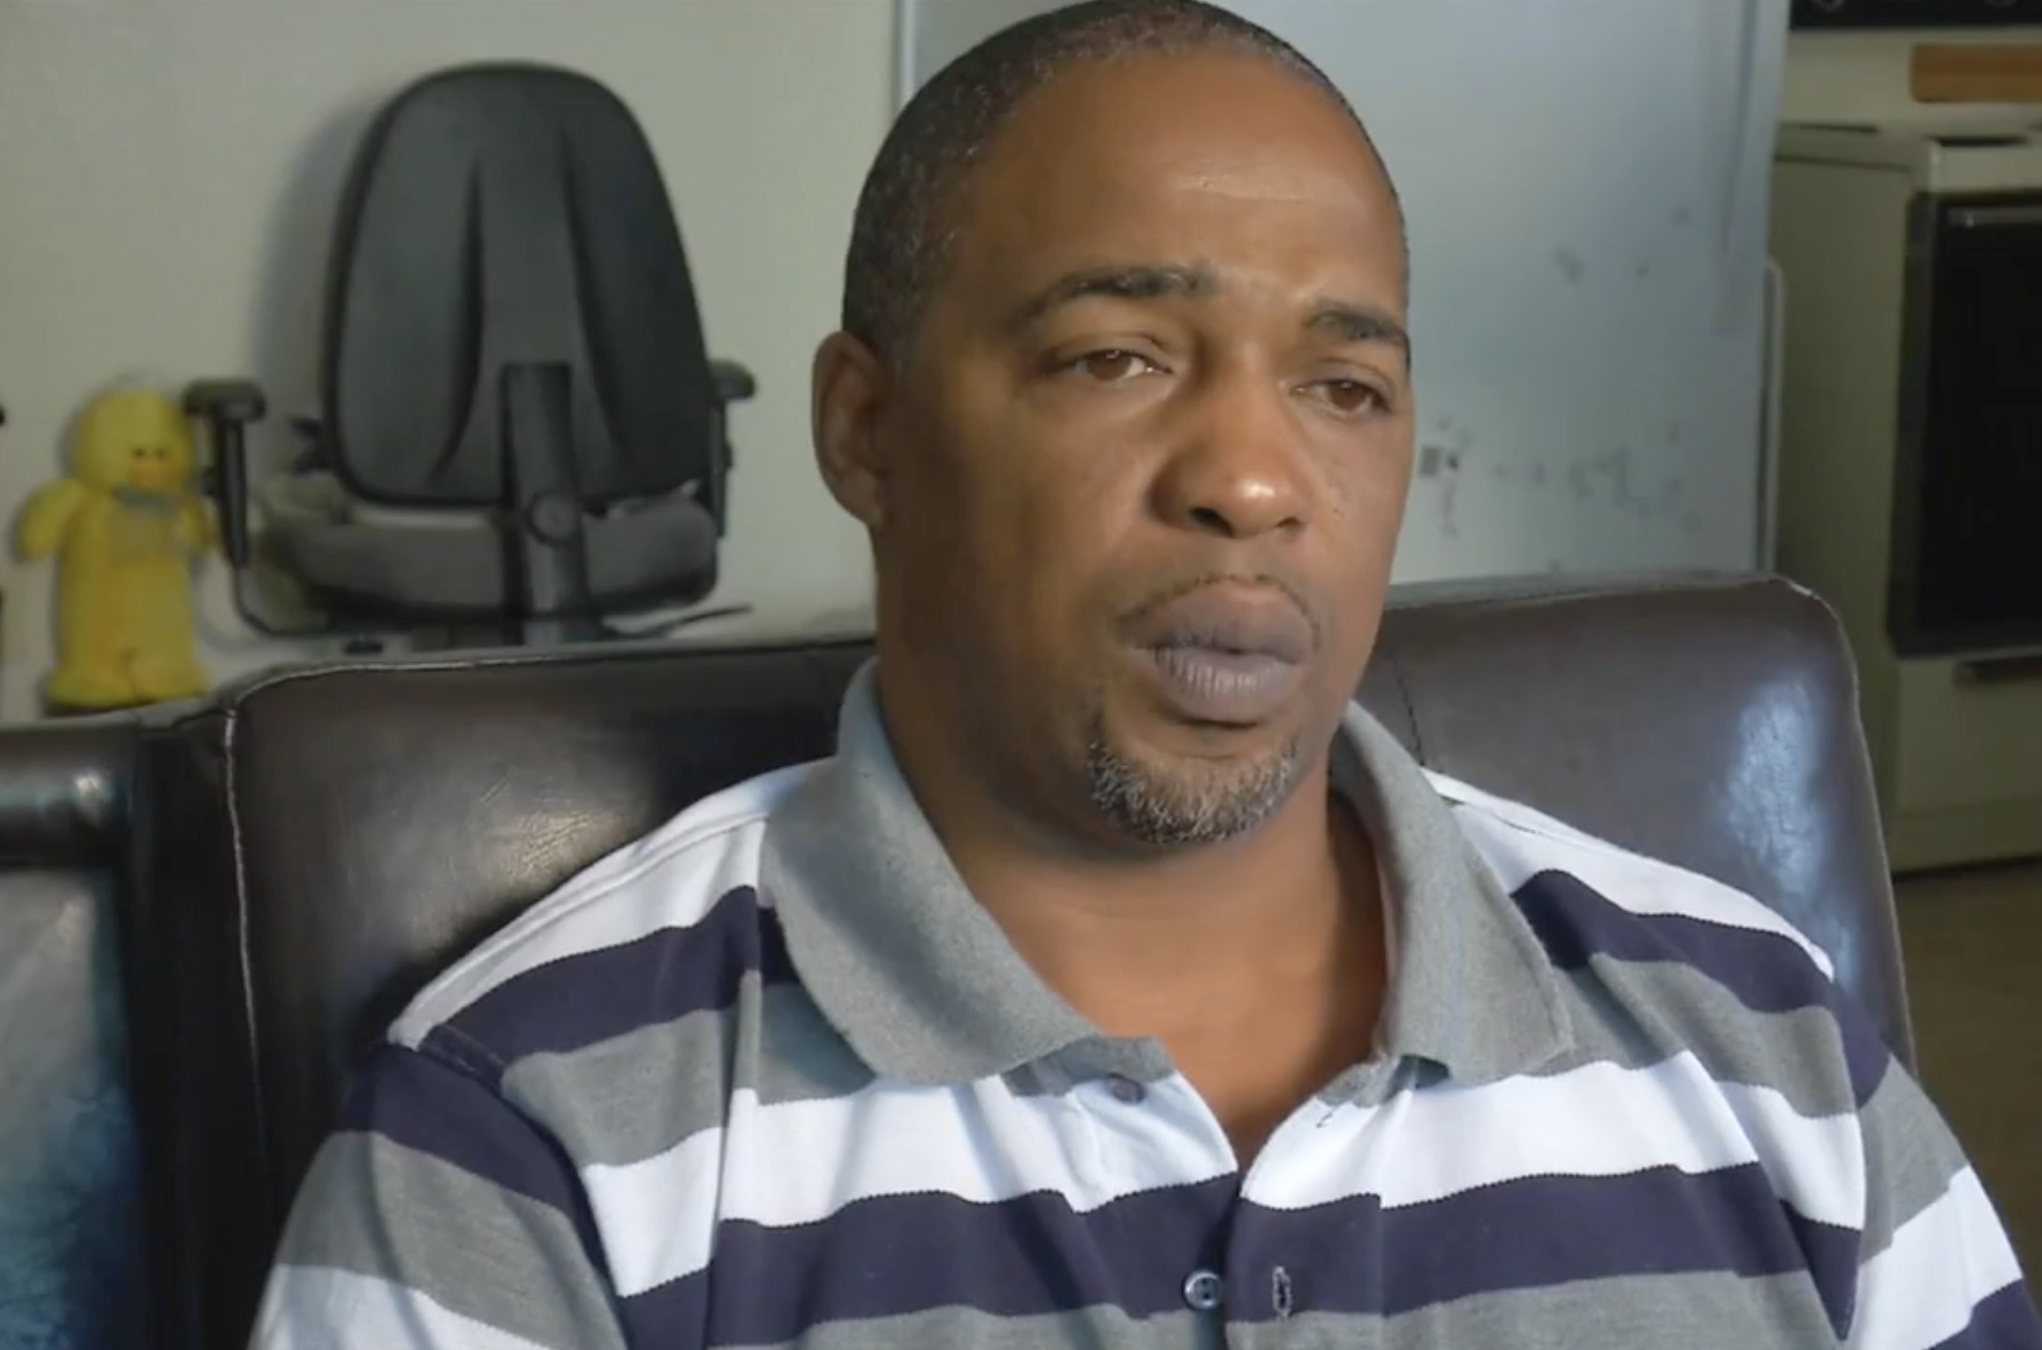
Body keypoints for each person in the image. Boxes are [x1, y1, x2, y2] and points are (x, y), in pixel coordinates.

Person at [250, 2, 2040, 1347]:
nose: (1255, 479)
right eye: (1114, 357)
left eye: (1343, 389)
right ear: (864, 429)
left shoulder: (1761, 1043)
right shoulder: (532, 1137)